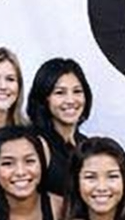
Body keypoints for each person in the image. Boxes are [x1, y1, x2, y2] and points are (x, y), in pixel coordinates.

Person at [26, 57, 91, 197]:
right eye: (60, 93)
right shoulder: (33, 144)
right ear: (44, 98)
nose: (70, 100)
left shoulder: (86, 144)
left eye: (77, 91)